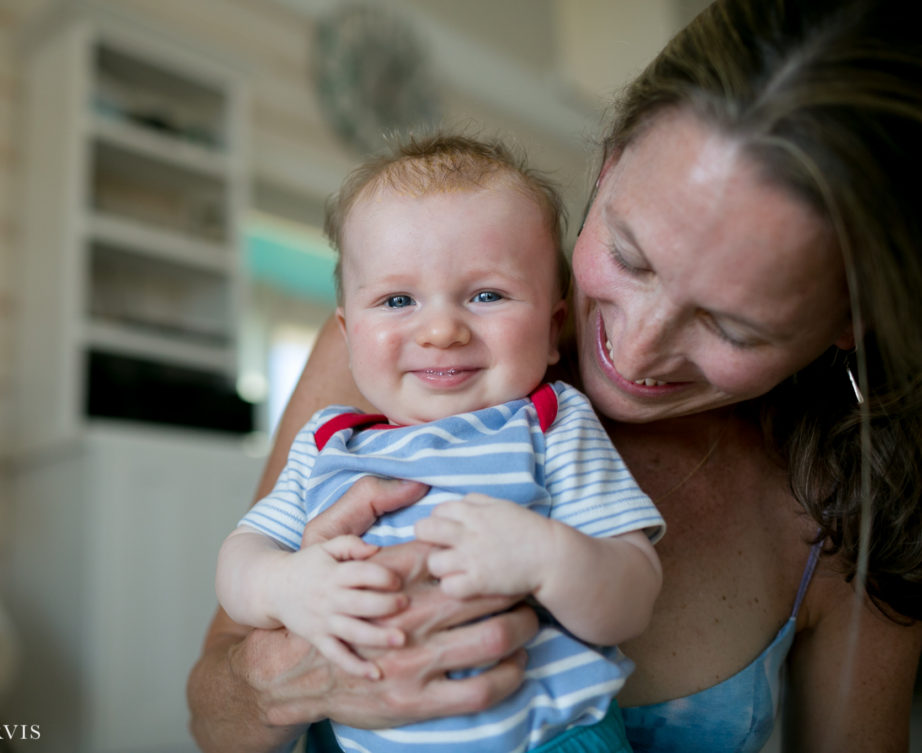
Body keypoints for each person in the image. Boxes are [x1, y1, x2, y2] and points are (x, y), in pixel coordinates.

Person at [187, 0, 922, 751]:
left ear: (849, 323)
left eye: (732, 325)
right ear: (609, 163)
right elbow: (213, 712)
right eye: (631, 257)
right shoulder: (396, 368)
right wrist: (286, 663)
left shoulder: (853, 510)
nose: (633, 353)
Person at [215, 134, 665, 753]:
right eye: (398, 300)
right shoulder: (328, 446)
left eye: (487, 295)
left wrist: (547, 558)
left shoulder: (550, 424)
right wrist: (288, 587)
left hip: (549, 739)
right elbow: (239, 562)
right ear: (347, 334)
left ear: (552, 326)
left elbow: (633, 595)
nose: (442, 329)